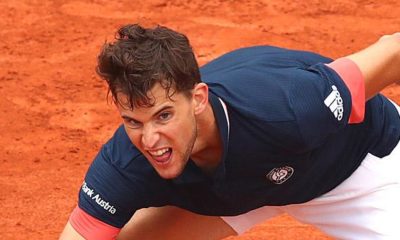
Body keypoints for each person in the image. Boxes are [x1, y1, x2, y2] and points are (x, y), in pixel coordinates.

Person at [59, 24, 400, 240]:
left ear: (197, 99)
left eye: (164, 116)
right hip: (241, 191)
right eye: (133, 121)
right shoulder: (125, 161)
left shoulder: (289, 107)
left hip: (350, 169)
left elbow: (392, 51)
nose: (149, 139)